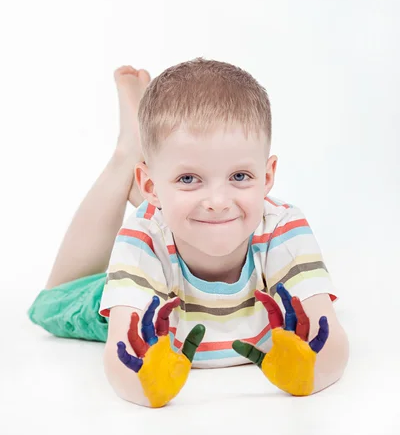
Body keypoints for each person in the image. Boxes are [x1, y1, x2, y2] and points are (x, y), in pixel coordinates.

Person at [28, 57, 349, 407]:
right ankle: (128, 152)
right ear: (147, 184)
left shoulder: (283, 228)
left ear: (268, 177)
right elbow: (120, 362)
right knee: (51, 303)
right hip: (156, 282)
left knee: (185, 208)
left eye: (240, 176)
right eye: (189, 178)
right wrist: (147, 384)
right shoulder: (143, 240)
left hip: (175, 220)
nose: (218, 201)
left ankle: (161, 164)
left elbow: (331, 344)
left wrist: (308, 373)